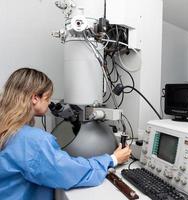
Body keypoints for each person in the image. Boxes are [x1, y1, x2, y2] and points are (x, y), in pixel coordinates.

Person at [0, 68, 132, 200]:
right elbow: (71, 173)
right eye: (48, 97)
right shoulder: (33, 141)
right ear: (35, 98)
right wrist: (113, 159)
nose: (49, 102)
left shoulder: (6, 129)